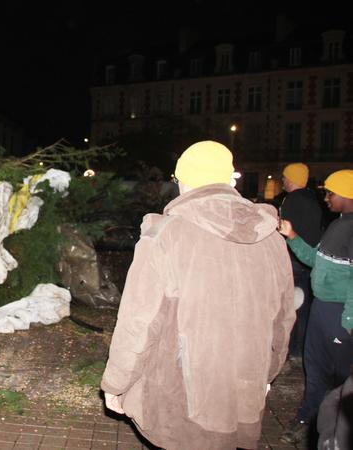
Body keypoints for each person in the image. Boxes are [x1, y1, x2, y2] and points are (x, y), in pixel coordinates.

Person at [101, 140, 295, 450]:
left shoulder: (165, 236)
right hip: (244, 387)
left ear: (184, 181)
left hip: (179, 394)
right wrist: (266, 375)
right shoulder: (271, 239)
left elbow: (138, 321)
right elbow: (283, 320)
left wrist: (116, 383)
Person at [279, 169, 353, 444]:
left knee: (340, 377)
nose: (326, 198)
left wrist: (349, 320)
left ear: (347, 195)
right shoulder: (337, 225)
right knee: (315, 368)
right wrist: (293, 236)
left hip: (340, 313)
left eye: (330, 193)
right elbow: (314, 260)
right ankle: (307, 417)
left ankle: (340, 430)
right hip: (322, 309)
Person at [280, 163, 323, 361]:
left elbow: (285, 231)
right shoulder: (313, 199)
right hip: (308, 259)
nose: (282, 181)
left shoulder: (292, 201)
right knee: (304, 305)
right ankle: (300, 349)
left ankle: (290, 348)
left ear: (291, 179)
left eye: (284, 177)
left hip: (293, 259)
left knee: (290, 306)